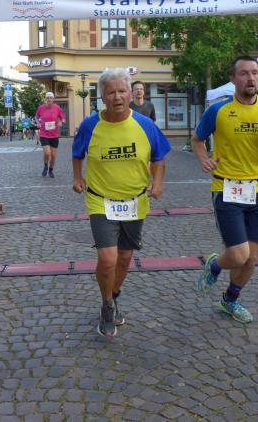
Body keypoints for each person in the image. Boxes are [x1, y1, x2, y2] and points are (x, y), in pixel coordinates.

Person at [72, 68, 171, 337]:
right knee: (108, 259)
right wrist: (78, 178)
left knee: (125, 258)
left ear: (130, 94)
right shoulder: (90, 125)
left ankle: (114, 295)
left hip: (135, 201)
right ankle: (106, 306)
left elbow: (159, 157)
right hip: (100, 200)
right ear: (102, 97)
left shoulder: (146, 125)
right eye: (111, 92)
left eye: (122, 91)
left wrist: (158, 183)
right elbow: (77, 153)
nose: (117, 97)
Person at [193, 55, 258, 324]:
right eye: (244, 73)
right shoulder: (219, 110)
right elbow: (198, 139)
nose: (251, 78)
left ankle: (230, 300)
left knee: (251, 258)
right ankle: (214, 265)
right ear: (233, 78)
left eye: (255, 73)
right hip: (226, 187)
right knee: (238, 254)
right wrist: (203, 159)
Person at [35, 92, 66, 177]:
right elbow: (36, 117)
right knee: (47, 153)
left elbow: (63, 117)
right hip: (44, 134)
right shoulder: (41, 108)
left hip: (54, 135)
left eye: (50, 98)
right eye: (47, 98)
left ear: (53, 99)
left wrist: (61, 122)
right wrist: (38, 123)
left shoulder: (57, 107)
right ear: (45, 99)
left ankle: (51, 170)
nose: (49, 99)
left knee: (53, 155)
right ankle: (45, 165)